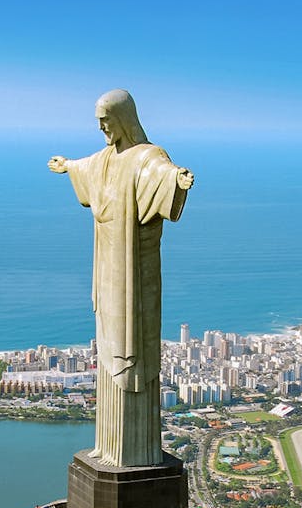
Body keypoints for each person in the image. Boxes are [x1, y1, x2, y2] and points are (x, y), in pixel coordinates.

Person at [49, 89, 194, 467]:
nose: (101, 128)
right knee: (110, 347)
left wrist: (176, 180)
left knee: (133, 350)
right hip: (108, 267)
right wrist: (67, 166)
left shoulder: (148, 156)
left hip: (134, 270)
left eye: (106, 120)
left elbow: (159, 174)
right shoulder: (105, 159)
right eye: (98, 122)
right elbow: (87, 167)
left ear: (124, 118)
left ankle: (137, 453)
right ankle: (108, 449)